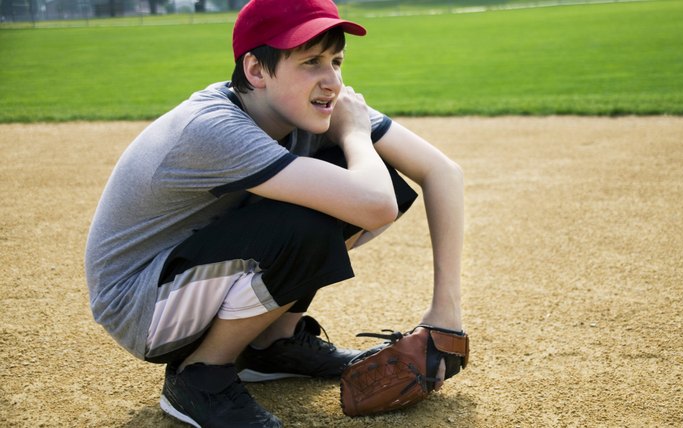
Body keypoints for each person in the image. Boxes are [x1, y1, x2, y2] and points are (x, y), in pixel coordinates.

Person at [84, 0, 464, 426]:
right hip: (142, 305)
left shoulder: (300, 103)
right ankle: (200, 376)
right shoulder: (214, 127)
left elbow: (442, 172)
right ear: (257, 71)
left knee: (367, 178)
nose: (332, 81)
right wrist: (355, 133)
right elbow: (376, 208)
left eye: (337, 61)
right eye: (311, 61)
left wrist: (445, 316)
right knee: (318, 211)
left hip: (190, 276)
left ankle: (272, 345)